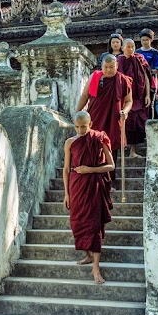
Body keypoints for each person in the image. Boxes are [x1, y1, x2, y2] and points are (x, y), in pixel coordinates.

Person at [62, 110, 115, 284]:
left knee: (94, 226)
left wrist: (89, 169)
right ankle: (87, 255)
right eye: (77, 127)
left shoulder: (99, 138)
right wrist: (66, 194)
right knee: (78, 223)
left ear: (90, 124)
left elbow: (111, 166)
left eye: (83, 126)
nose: (80, 130)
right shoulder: (70, 142)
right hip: (76, 186)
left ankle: (96, 269)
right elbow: (66, 169)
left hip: (95, 186)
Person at [75, 54, 133, 161]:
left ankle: (109, 177)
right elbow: (84, 95)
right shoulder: (95, 77)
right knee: (92, 146)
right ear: (101, 66)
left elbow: (129, 101)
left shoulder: (123, 80)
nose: (108, 70)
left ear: (117, 65)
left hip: (113, 119)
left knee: (111, 147)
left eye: (111, 67)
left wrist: (125, 111)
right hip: (95, 117)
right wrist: (76, 112)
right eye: (106, 67)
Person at [117, 39, 152, 153]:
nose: (131, 49)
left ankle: (133, 151)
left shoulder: (139, 59)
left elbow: (146, 78)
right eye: (128, 47)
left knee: (137, 124)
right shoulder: (119, 60)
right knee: (126, 123)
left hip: (139, 97)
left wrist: (147, 95)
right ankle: (122, 149)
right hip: (125, 97)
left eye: (133, 47)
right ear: (123, 48)